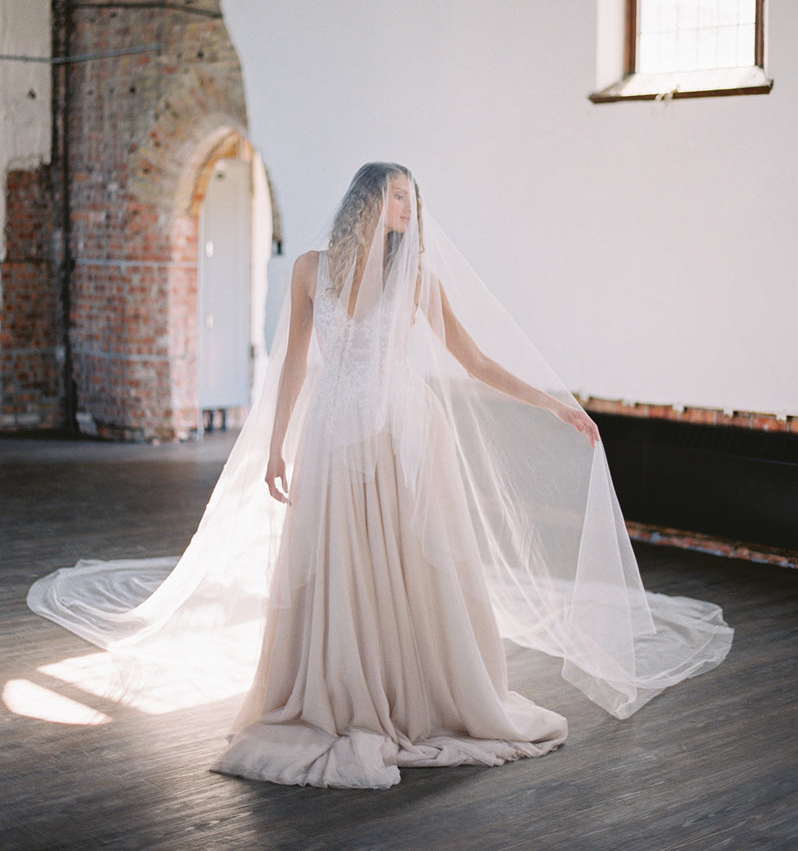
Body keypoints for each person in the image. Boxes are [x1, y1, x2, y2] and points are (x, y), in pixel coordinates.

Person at [28, 163, 733, 790]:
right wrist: (276, 447)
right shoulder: (311, 270)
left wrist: (555, 405)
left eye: (411, 199)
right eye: (397, 196)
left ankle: (412, 693)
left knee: (406, 567)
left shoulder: (416, 278)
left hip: (404, 438)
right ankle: (337, 692)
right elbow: (293, 363)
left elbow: (474, 362)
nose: (408, 208)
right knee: (339, 566)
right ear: (365, 200)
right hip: (332, 436)